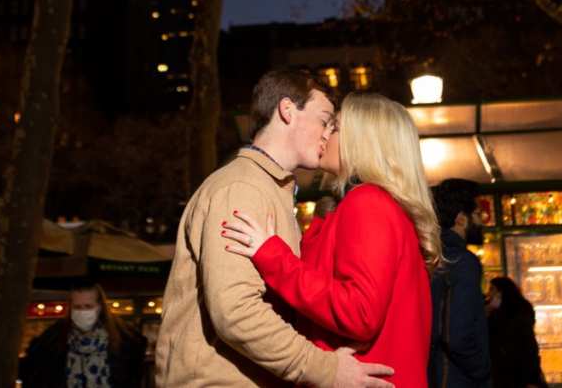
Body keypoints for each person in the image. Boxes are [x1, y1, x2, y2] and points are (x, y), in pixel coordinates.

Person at [156, 71, 395, 388]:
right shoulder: (242, 187)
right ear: (287, 110)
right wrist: (325, 369)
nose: (328, 134)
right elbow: (236, 312)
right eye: (325, 120)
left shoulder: (268, 188)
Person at [222, 92, 442, 387]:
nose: (323, 134)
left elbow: (360, 313)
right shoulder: (375, 206)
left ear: (363, 142)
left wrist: (271, 254)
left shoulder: (368, 202)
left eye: (334, 127)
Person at [19, 279, 146, 387]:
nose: (82, 312)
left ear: (100, 307)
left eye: (88, 306)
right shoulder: (50, 342)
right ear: (70, 308)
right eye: (77, 307)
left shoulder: (126, 341)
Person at [428, 178, 491, 388]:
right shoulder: (462, 261)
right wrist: (483, 370)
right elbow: (458, 336)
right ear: (461, 218)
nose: (482, 221)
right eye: (478, 214)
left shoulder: (429, 257)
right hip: (458, 379)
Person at [486, 277, 547, 388]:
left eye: (492, 290)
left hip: (516, 374)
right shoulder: (491, 314)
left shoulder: (517, 313)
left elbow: (529, 346)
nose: (489, 294)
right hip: (501, 375)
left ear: (501, 293)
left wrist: (532, 379)